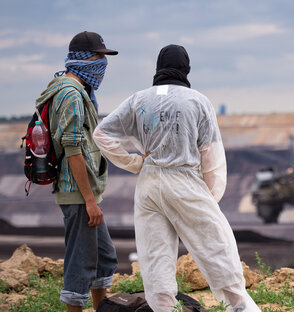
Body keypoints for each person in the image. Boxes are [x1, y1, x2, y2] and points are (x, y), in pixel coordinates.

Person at [93, 44, 260, 312]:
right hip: (184, 180)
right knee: (218, 249)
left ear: (158, 68)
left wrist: (135, 163)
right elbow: (211, 154)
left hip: (148, 186)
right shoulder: (197, 100)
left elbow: (101, 134)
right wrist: (210, 197)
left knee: (155, 257)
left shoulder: (138, 99)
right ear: (186, 69)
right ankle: (241, 307)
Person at [34, 31, 119, 311]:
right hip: (78, 192)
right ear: (85, 59)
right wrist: (89, 200)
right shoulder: (70, 95)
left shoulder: (78, 90)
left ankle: (101, 307)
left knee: (104, 256)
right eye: (99, 57)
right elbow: (72, 150)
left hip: (86, 191)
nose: (102, 65)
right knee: (80, 262)